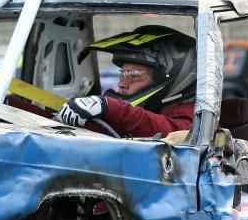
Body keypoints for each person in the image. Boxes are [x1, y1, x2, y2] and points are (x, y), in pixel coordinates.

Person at [56, 26, 196, 138]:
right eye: (122, 74)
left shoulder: (193, 113)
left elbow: (177, 133)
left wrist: (110, 107)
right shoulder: (147, 113)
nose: (121, 84)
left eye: (132, 75)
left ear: (168, 76)